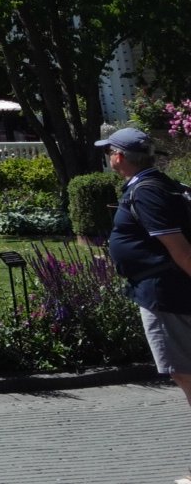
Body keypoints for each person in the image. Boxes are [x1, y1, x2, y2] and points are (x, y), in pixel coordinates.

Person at [97, 126, 191, 410]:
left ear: (119, 157)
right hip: (166, 290)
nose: (108, 157)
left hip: (166, 294)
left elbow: (180, 249)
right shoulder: (160, 185)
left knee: (184, 370)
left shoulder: (147, 191)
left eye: (109, 151)